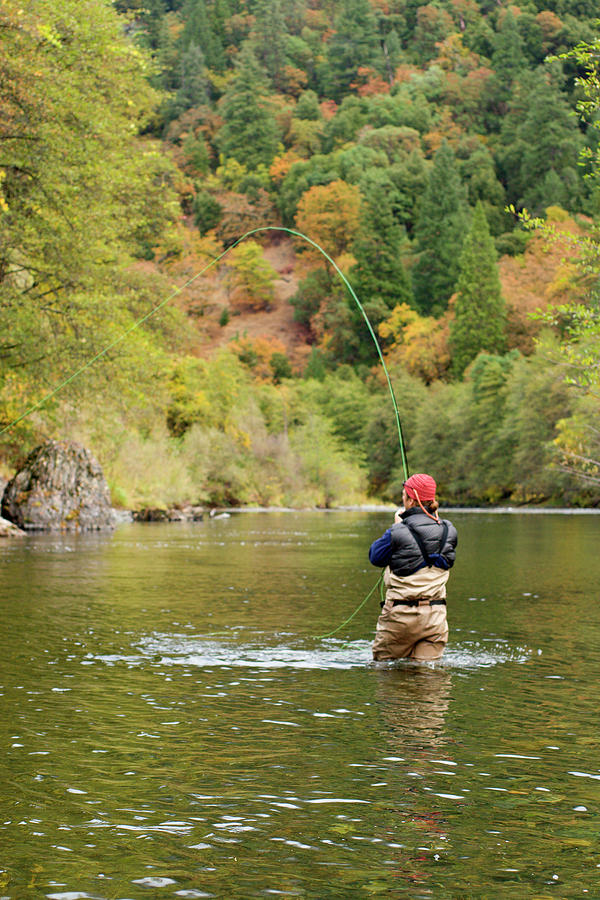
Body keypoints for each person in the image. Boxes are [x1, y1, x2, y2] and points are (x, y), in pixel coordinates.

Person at [369, 473, 457, 662]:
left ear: (410, 500)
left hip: (400, 618)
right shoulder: (449, 530)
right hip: (435, 617)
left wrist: (397, 527)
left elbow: (375, 557)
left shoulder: (398, 531)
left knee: (386, 675)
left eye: (403, 495)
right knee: (429, 681)